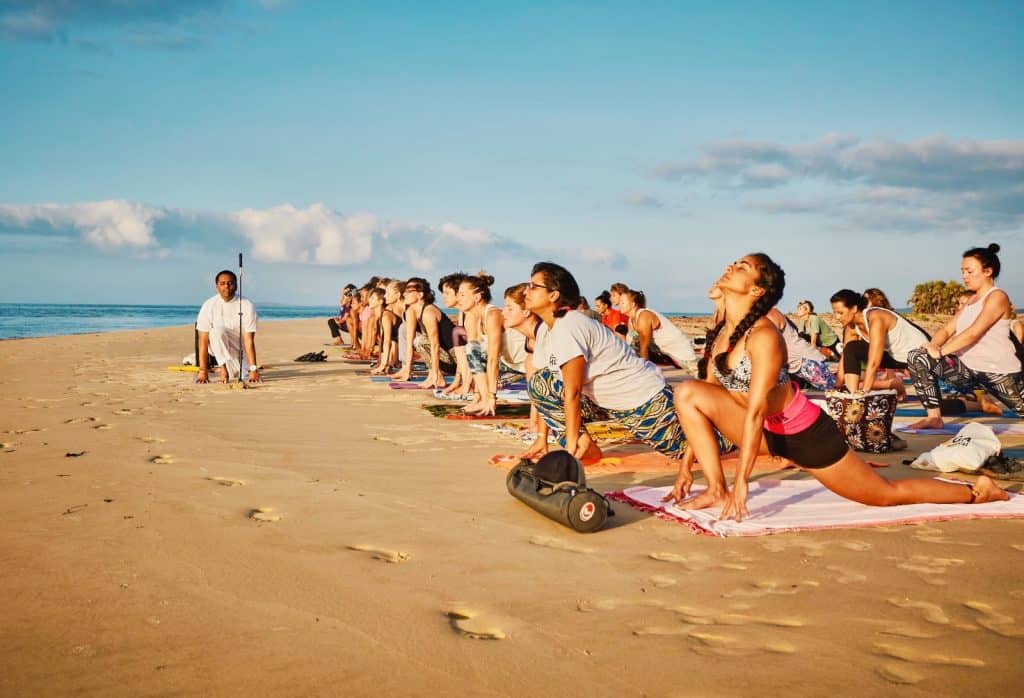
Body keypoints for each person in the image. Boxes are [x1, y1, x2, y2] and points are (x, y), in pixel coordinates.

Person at [666, 253, 1007, 521]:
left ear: (757, 290)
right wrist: (686, 467)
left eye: (742, 266)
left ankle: (976, 491)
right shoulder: (724, 331)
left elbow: (757, 409)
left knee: (885, 494)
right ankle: (715, 489)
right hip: (761, 432)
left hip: (804, 435)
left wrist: (743, 482)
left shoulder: (764, 336)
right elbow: (706, 403)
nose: (730, 267)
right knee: (687, 391)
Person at [521, 262, 690, 464]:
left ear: (553, 295)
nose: (526, 291)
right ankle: (585, 447)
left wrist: (568, 449)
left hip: (644, 400)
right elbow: (548, 391)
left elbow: (572, 392)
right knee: (541, 383)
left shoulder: (569, 325)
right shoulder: (547, 331)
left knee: (693, 448)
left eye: (533, 286)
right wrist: (542, 439)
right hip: (606, 402)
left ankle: (732, 420)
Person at [905, 244, 1024, 430]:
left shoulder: (997, 296)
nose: (964, 276)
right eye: (963, 271)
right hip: (968, 370)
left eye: (969, 271)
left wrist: (942, 351)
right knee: (918, 357)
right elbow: (946, 330)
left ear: (988, 271)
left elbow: (974, 333)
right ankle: (934, 418)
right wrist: (932, 347)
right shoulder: (970, 301)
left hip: (998, 372)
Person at [830, 289, 928, 397]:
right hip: (894, 357)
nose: (837, 317)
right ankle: (852, 396)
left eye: (840, 313)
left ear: (854, 308)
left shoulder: (875, 317)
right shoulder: (851, 327)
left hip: (919, 356)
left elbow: (874, 362)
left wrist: (864, 392)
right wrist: (837, 387)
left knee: (939, 406)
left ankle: (858, 398)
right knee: (851, 348)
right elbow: (845, 358)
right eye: (834, 313)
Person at [456, 274, 510, 416]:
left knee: (474, 351)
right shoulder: (474, 317)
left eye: (462, 295)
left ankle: (487, 399)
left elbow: (493, 359)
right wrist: (477, 395)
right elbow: (478, 358)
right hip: (505, 364)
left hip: (518, 366)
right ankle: (481, 398)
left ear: (477, 297)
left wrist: (492, 397)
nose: (458, 299)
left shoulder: (492, 314)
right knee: (472, 348)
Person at [196, 270, 260, 384]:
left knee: (240, 374)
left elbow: (249, 340)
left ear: (236, 285)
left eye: (230, 283)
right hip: (219, 356)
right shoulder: (208, 305)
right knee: (216, 332)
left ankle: (229, 369)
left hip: (239, 356)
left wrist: (253, 369)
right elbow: (203, 340)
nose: (226, 286)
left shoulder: (247, 305)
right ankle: (223, 369)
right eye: (222, 283)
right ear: (217, 286)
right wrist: (202, 371)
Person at [391, 278, 456, 388]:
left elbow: (435, 345)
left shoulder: (428, 312)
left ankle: (437, 375)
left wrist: (436, 373)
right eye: (405, 290)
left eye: (409, 291)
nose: (404, 294)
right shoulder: (411, 310)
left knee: (420, 341)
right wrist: (407, 369)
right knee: (416, 339)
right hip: (443, 356)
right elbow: (409, 342)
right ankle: (433, 373)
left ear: (420, 295)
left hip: (454, 359)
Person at [618, 289, 697, 374]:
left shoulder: (643, 315)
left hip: (682, 355)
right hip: (666, 353)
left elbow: (644, 347)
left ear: (633, 304)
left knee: (637, 344)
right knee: (632, 343)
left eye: (622, 303)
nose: (619, 305)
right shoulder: (631, 320)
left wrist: (645, 372)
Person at [765, 306, 836, 390]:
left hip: (806, 360)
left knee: (835, 392)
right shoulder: (764, 315)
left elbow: (769, 343)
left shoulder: (770, 314)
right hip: (795, 364)